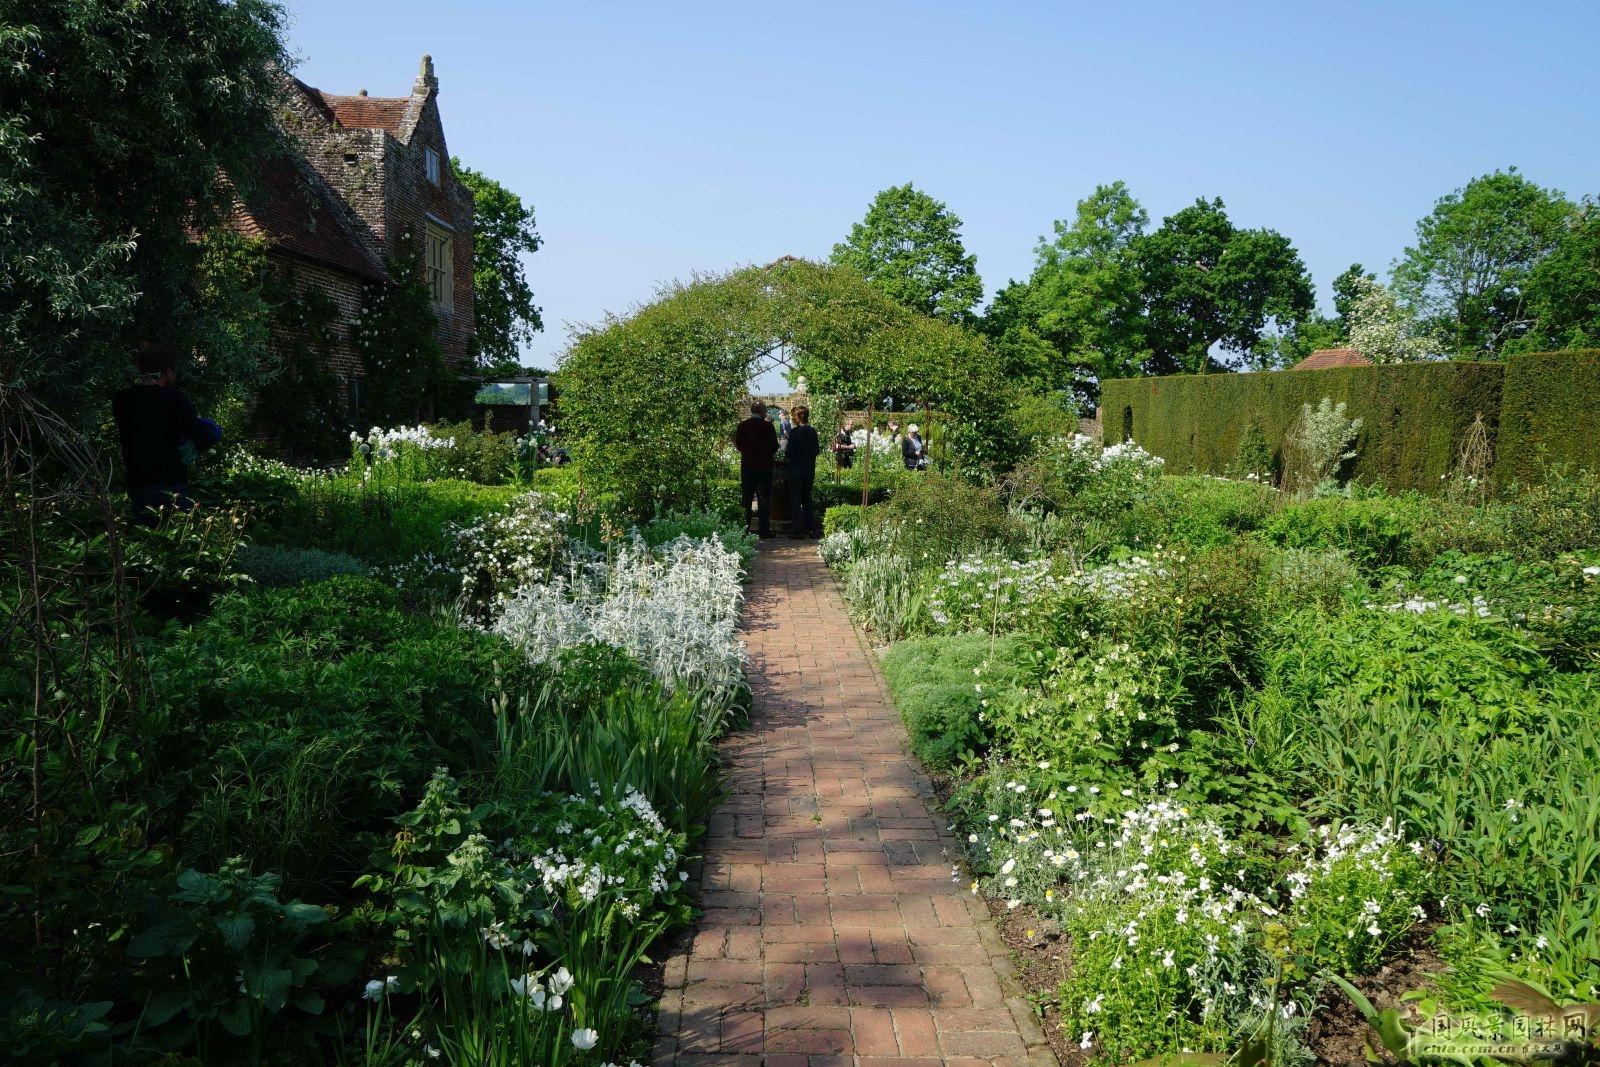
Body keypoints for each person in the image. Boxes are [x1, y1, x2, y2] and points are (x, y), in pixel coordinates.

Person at [112, 343, 220, 525]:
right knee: (172, 541)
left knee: (143, 541)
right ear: (168, 372)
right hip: (170, 484)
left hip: (137, 484)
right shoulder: (175, 400)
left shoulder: (123, 399)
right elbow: (202, 439)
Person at [733, 399, 779, 538]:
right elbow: (774, 446)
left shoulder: (742, 426)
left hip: (747, 467)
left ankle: (744, 530)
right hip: (764, 467)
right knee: (763, 500)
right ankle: (764, 532)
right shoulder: (768, 427)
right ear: (763, 411)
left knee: (746, 499)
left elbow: (739, 445)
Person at [785, 405, 821, 538]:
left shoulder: (795, 432)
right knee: (807, 499)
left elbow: (789, 453)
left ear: (798, 417)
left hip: (795, 471)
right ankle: (812, 529)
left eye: (793, 416)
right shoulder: (812, 431)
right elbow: (816, 451)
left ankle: (797, 530)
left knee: (795, 500)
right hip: (809, 470)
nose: (792, 418)